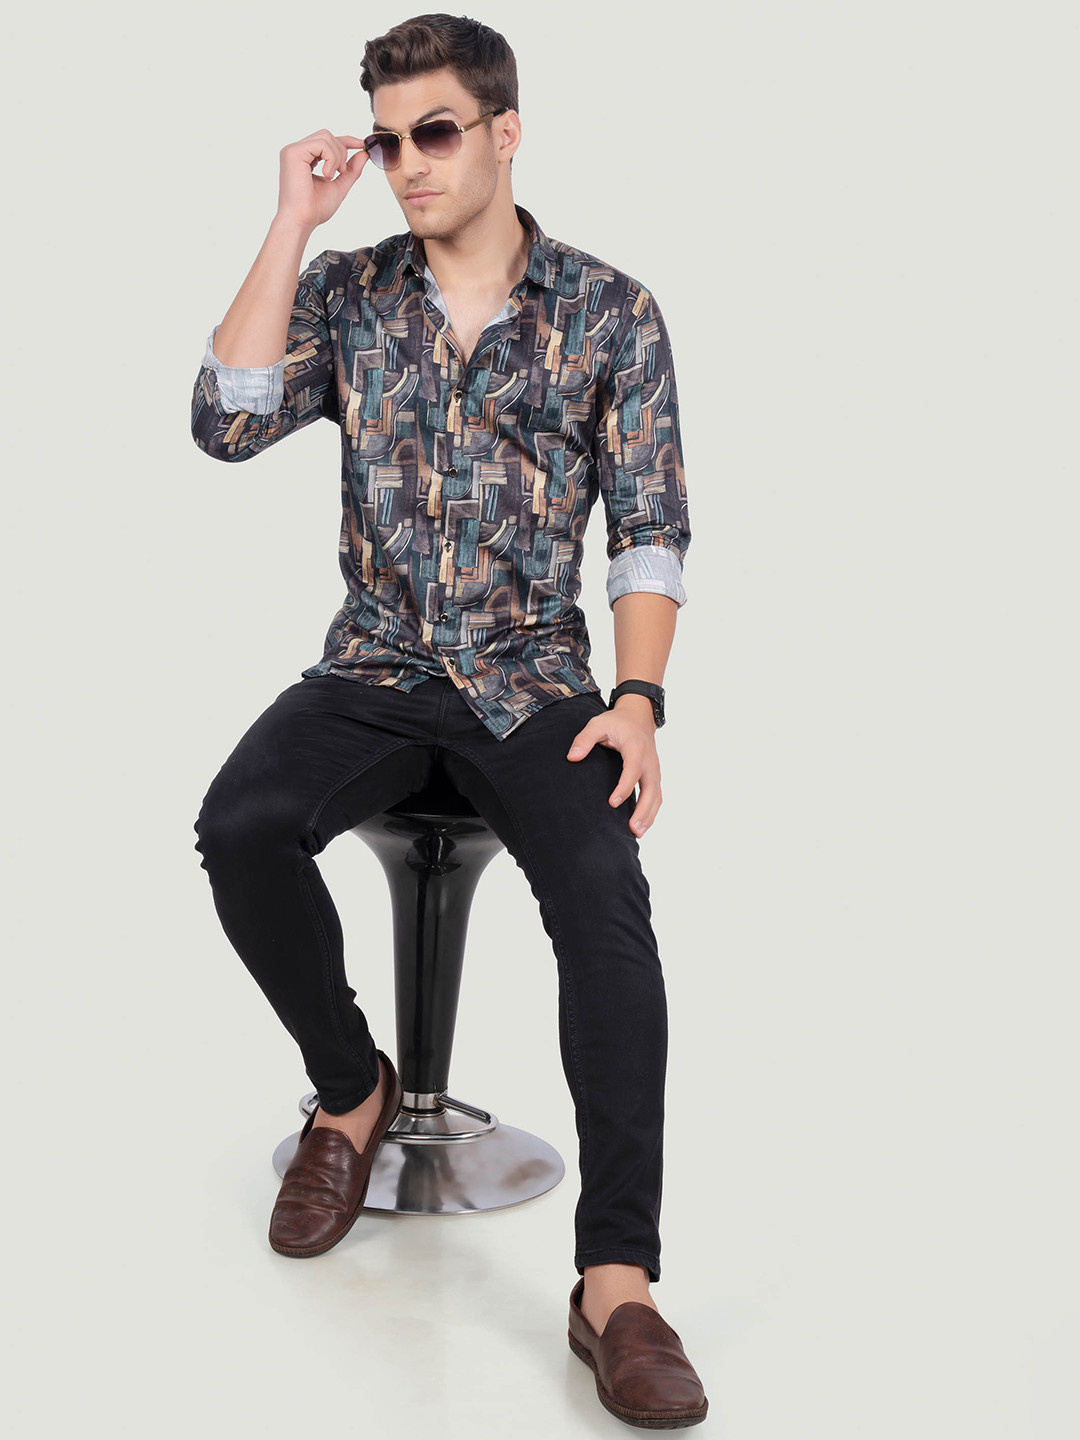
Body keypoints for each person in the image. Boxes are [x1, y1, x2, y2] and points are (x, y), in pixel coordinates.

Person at [190, 12, 707, 1428]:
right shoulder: (352, 292)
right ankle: (350, 1090)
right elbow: (226, 421)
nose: (408, 163)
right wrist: (293, 220)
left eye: (434, 132)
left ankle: (618, 1284)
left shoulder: (611, 312)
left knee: (605, 903)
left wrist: (641, 702)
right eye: (386, 140)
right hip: (373, 668)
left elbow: (651, 531)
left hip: (532, 682)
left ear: (503, 132)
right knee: (238, 827)